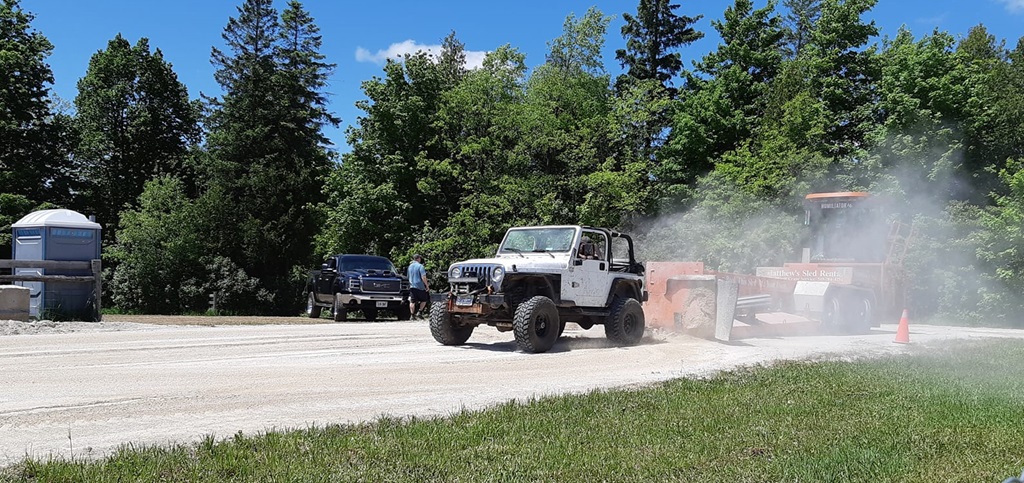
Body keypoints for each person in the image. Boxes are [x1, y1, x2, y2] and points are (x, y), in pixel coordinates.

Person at [408, 254, 430, 319]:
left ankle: (412, 315)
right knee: (424, 300)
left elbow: (408, 276)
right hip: (420, 286)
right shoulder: (420, 266)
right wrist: (426, 285)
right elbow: (423, 277)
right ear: (418, 259)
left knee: (412, 301)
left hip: (412, 286)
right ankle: (419, 312)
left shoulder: (410, 266)